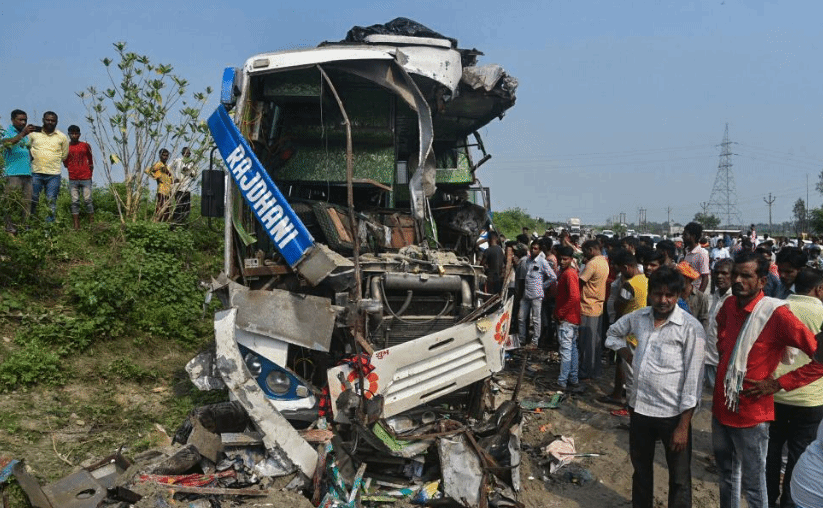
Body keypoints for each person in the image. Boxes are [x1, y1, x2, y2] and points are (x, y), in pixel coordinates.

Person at [712, 250, 823, 508]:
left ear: (762, 281)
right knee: (726, 477)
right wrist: (725, 352)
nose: (738, 281)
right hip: (721, 406)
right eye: (735, 274)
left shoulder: (776, 314)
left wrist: (777, 383)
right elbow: (721, 326)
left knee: (755, 483)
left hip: (752, 414)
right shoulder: (729, 305)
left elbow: (819, 358)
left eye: (746, 276)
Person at [605, 266, 706, 508]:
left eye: (669, 295)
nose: (663, 300)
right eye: (658, 294)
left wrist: (683, 425)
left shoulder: (690, 328)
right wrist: (627, 354)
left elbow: (694, 381)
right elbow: (612, 334)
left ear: (679, 295)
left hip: (672, 415)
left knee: (679, 478)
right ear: (649, 294)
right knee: (641, 471)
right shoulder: (639, 318)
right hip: (639, 409)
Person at [766, 268, 823, 508]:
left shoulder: (776, 309)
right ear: (819, 289)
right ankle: (792, 501)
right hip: (809, 400)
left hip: (772, 395)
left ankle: (768, 499)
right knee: (799, 454)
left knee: (771, 452)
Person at [29, 111, 69, 223]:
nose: (50, 122)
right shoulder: (34, 134)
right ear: (43, 120)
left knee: (51, 202)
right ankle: (29, 226)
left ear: (56, 122)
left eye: (53, 120)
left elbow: (64, 155)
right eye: (48, 120)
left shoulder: (62, 137)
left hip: (53, 175)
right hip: (36, 172)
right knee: (32, 200)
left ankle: (48, 231)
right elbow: (27, 148)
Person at [579, 239, 609, 380]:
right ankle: (595, 370)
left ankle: (585, 371)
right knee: (595, 342)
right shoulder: (603, 261)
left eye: (585, 252)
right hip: (598, 306)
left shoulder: (592, 264)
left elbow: (581, 281)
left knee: (586, 343)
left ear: (591, 250)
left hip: (588, 305)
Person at [1, 109, 35, 232]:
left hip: (27, 174)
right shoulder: (8, 132)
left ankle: (25, 230)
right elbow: (6, 143)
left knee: (26, 204)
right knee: (11, 203)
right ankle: (10, 230)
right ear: (13, 120)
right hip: (12, 174)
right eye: (20, 120)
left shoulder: (25, 136)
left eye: (25, 120)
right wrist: (23, 134)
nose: (23, 122)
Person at [518, 240, 556, 348]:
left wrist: (542, 286)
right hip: (526, 294)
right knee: (521, 317)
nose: (533, 250)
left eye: (535, 248)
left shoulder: (542, 262)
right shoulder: (528, 261)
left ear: (539, 250)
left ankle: (535, 341)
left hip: (536, 295)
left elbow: (553, 277)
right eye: (532, 248)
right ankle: (522, 339)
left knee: (536, 319)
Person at [553, 245, 581, 390]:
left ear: (571, 259)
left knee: (566, 351)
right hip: (572, 319)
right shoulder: (570, 273)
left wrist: (560, 313)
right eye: (560, 259)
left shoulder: (569, 274)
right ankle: (573, 378)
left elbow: (575, 297)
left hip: (567, 320)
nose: (562, 261)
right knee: (572, 350)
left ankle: (562, 381)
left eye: (565, 259)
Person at [704, 259, 733, 390]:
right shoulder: (716, 295)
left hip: (721, 361)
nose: (719, 276)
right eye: (716, 273)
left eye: (724, 273)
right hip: (708, 358)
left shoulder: (734, 299)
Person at [63, 125, 94, 229]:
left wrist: (90, 174)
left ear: (79, 134)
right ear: (69, 134)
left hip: (86, 177)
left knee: (87, 200)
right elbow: (65, 162)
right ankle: (76, 225)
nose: (74, 135)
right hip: (73, 178)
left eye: (76, 133)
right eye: (72, 133)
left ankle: (91, 223)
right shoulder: (66, 147)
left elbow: (90, 160)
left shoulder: (85, 146)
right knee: (74, 201)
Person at [169, 147, 195, 224]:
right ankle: (174, 223)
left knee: (186, 208)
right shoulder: (177, 161)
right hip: (178, 188)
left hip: (187, 188)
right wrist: (173, 178)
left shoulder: (192, 163)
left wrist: (188, 171)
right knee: (179, 206)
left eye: (188, 153)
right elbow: (168, 168)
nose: (187, 155)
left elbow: (194, 174)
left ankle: (182, 224)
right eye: (186, 153)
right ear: (182, 153)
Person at [145, 148, 173, 222]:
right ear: (160, 156)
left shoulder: (167, 166)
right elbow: (147, 170)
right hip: (161, 190)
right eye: (163, 155)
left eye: (167, 155)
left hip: (168, 191)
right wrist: (156, 177)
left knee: (167, 211)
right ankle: (157, 224)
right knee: (161, 209)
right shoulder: (158, 164)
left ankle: (164, 226)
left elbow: (171, 178)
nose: (165, 157)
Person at [682, 222, 710, 293]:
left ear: (693, 236)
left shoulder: (702, 253)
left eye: (685, 235)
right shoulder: (686, 251)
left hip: (695, 292)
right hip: (685, 291)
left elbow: (705, 278)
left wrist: (699, 296)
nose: (683, 237)